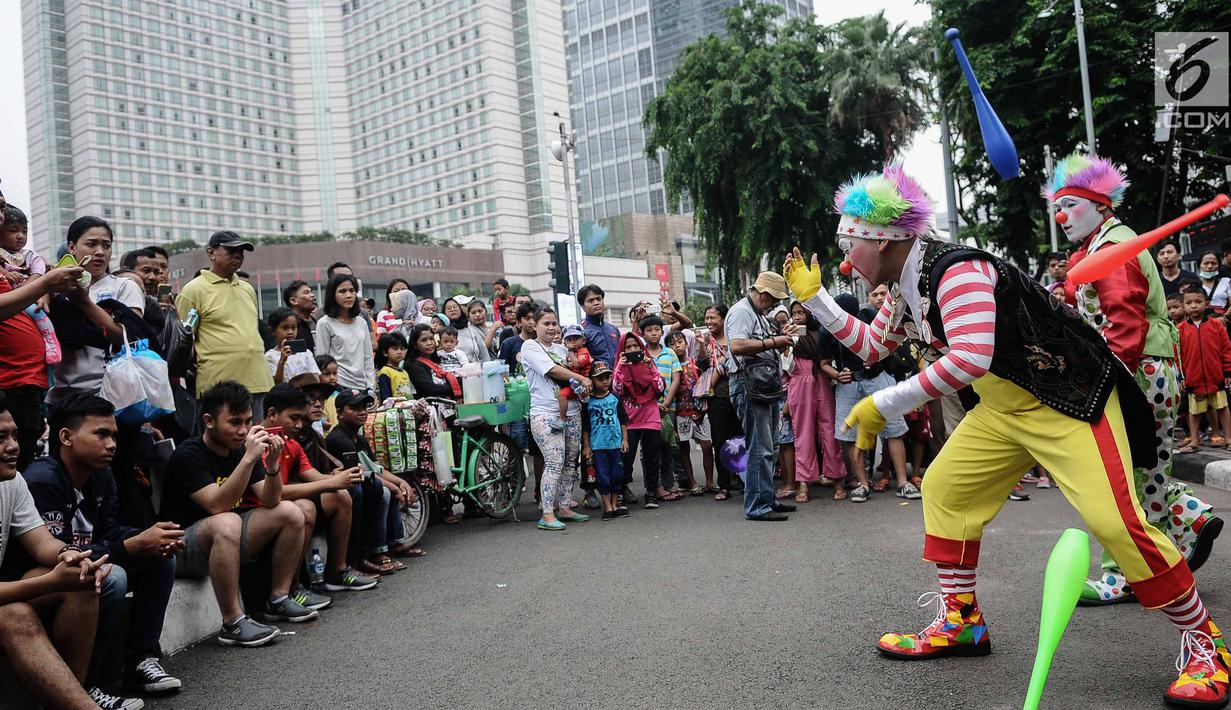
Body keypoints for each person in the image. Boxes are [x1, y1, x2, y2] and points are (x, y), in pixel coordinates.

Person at [786, 162, 1229, 706]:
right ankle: (962, 622)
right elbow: (874, 347)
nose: (843, 258)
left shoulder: (956, 269)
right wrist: (816, 302)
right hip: (1003, 409)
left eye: (848, 244)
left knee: (1116, 523)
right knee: (947, 490)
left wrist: (887, 401)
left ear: (882, 242)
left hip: (1068, 402)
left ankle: (1205, 643)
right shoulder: (906, 283)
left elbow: (972, 355)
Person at [1050, 153, 1221, 604]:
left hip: (1136, 371)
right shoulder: (1105, 247)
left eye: (1071, 204)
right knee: (1144, 469)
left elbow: (1124, 329)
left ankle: (1121, 574)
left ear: (1102, 206)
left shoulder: (1112, 252)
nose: (1062, 216)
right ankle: (1191, 515)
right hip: (1153, 371)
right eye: (1058, 207)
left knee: (1116, 476)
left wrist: (1102, 384)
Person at [20, 393, 183, 697]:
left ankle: (140, 661)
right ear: (66, 437)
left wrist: (149, 536)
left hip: (87, 562)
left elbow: (106, 531)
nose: (111, 444)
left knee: (161, 555)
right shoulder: (41, 481)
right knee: (111, 577)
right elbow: (61, 554)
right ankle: (91, 684)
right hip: (40, 579)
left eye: (114, 435)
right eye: (101, 434)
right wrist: (130, 546)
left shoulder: (101, 474)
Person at [160, 380, 320, 647]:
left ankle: (279, 598)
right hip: (180, 546)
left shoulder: (239, 450)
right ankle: (232, 621)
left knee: (291, 512)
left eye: (247, 421)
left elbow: (271, 499)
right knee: (227, 521)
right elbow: (217, 505)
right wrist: (248, 459)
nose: (243, 430)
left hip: (224, 538)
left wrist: (270, 467)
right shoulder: (189, 455)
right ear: (209, 421)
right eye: (234, 423)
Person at [0, 394, 124, 710]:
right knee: (16, 616)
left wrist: (71, 555)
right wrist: (52, 581)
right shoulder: (42, 476)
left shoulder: (11, 482)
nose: (13, 446)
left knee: (82, 578)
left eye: (14, 434)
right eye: (0, 438)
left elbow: (43, 543)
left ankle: (76, 694)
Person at [255, 384, 378, 592]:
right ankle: (292, 589)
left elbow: (314, 477)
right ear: (272, 414)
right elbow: (274, 494)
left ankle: (338, 571)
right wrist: (330, 482)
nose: (299, 425)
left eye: (301, 419)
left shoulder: (292, 444)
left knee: (340, 495)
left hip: (281, 506)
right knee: (304, 507)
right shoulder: (255, 444)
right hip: (260, 511)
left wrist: (338, 476)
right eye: (294, 418)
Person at [725, 272, 799, 522]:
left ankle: (766, 499)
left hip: (763, 385)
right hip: (747, 385)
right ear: (764, 294)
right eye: (774, 300)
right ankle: (757, 506)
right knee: (759, 448)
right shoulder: (742, 311)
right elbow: (736, 345)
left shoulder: (757, 313)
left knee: (771, 446)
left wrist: (778, 338)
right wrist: (773, 342)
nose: (775, 304)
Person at [176, 231, 273, 412]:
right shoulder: (193, 290)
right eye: (230, 250)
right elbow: (183, 340)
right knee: (221, 438)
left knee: (256, 437)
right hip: (218, 385)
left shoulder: (247, 289)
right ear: (211, 253)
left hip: (258, 380)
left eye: (241, 252)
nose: (237, 256)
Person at [324, 388, 417, 569]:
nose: (362, 412)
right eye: (354, 408)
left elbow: (376, 467)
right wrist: (394, 487)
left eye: (363, 407)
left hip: (365, 480)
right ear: (340, 413)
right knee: (384, 492)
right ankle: (377, 550)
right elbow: (363, 472)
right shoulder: (339, 438)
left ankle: (395, 543)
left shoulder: (358, 437)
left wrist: (400, 481)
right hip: (349, 486)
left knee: (388, 488)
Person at [520, 308, 592, 530]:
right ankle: (547, 512)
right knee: (554, 461)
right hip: (545, 414)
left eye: (554, 323)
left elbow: (573, 380)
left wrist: (583, 390)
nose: (552, 328)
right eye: (546, 323)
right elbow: (552, 370)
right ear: (535, 325)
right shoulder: (530, 347)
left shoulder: (563, 349)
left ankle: (564, 507)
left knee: (571, 462)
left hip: (572, 412)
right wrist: (580, 377)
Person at [782, 300, 844, 502]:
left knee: (829, 433)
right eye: (795, 312)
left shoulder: (822, 333)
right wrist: (787, 342)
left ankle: (837, 481)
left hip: (823, 383)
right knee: (803, 435)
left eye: (802, 312)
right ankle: (803, 484)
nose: (798, 316)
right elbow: (788, 367)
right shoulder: (791, 336)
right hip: (800, 384)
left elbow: (830, 359)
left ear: (810, 314)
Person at [613, 332, 669, 509]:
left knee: (653, 457)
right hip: (629, 420)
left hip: (650, 417)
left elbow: (660, 387)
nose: (632, 349)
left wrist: (650, 364)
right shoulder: (620, 368)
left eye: (635, 346)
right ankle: (621, 491)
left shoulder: (648, 365)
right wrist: (620, 367)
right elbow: (617, 389)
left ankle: (651, 493)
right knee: (626, 458)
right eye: (627, 347)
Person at [1178, 287, 1231, 454]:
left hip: (1216, 376)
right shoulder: (1180, 330)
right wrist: (1181, 376)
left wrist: (1228, 372)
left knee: (1223, 407)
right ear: (1183, 306)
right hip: (1193, 378)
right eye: (1189, 303)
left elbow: (1226, 349)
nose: (1194, 306)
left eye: (1198, 302)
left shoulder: (1217, 326)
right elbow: (1177, 355)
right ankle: (1194, 440)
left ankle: (1228, 438)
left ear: (1207, 304)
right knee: (1193, 411)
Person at [702, 304, 740, 502]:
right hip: (717, 397)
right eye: (706, 318)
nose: (708, 322)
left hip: (739, 394)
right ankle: (724, 485)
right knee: (720, 441)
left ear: (724, 319)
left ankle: (742, 480)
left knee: (740, 439)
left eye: (712, 317)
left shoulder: (735, 338)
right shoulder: (705, 341)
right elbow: (700, 365)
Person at [581, 362, 628, 521]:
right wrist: (586, 446)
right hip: (598, 445)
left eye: (607, 377)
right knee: (602, 476)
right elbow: (586, 426)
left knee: (617, 474)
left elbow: (622, 419)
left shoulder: (614, 397)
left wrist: (625, 439)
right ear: (592, 380)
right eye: (600, 378)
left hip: (615, 443)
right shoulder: (589, 402)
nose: (605, 381)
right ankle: (607, 505)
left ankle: (615, 504)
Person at [315, 273, 376, 393]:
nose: (348, 295)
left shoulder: (362, 322)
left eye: (352, 290)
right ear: (332, 295)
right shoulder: (324, 323)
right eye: (342, 291)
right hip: (338, 386)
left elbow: (368, 358)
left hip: (363, 386)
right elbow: (322, 360)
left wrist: (371, 387)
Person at [667, 330, 708, 495]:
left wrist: (702, 344)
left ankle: (710, 482)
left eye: (680, 341)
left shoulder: (694, 362)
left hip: (699, 412)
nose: (677, 346)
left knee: (707, 445)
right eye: (672, 343)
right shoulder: (670, 366)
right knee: (683, 448)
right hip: (680, 413)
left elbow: (705, 371)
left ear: (686, 343)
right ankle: (692, 483)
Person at [265, 307, 321, 386]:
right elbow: (275, 385)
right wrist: (282, 361)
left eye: (294, 328)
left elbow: (316, 378)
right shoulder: (269, 357)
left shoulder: (306, 353)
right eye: (285, 328)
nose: (290, 332)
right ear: (273, 330)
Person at [405, 324, 462, 402]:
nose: (429, 343)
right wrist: (456, 386)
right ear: (415, 345)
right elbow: (430, 389)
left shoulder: (440, 359)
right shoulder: (413, 365)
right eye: (424, 340)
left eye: (431, 338)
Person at [578, 284, 621, 368]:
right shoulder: (581, 331)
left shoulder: (613, 329)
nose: (596, 303)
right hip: (597, 379)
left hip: (619, 378)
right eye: (591, 300)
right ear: (583, 307)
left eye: (598, 299)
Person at [558, 324, 594, 422]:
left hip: (583, 384)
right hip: (573, 383)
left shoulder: (583, 351)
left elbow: (577, 364)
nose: (572, 341)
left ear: (584, 340)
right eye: (569, 339)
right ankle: (562, 418)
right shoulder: (567, 352)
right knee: (562, 394)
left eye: (576, 338)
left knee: (563, 395)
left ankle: (562, 419)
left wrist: (570, 351)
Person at [281, 280, 318, 352]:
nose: (312, 295)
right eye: (306, 292)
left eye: (311, 292)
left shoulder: (317, 322)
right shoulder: (290, 328)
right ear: (293, 301)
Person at [375, 332, 413, 401]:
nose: (399, 352)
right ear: (385, 353)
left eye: (402, 349)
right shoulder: (385, 372)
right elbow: (385, 398)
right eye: (395, 349)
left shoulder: (405, 372)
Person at [456, 299, 492, 364]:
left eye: (480, 311)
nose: (477, 315)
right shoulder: (470, 331)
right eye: (473, 313)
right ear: (468, 316)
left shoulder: (489, 328)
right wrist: (493, 330)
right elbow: (483, 348)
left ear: (486, 311)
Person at [1197, 251, 1231, 315]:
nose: (1210, 266)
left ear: (1219, 266)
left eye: (1213, 263)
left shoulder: (1227, 282)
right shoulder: (1195, 285)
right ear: (1199, 266)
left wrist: (1225, 318)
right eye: (1206, 263)